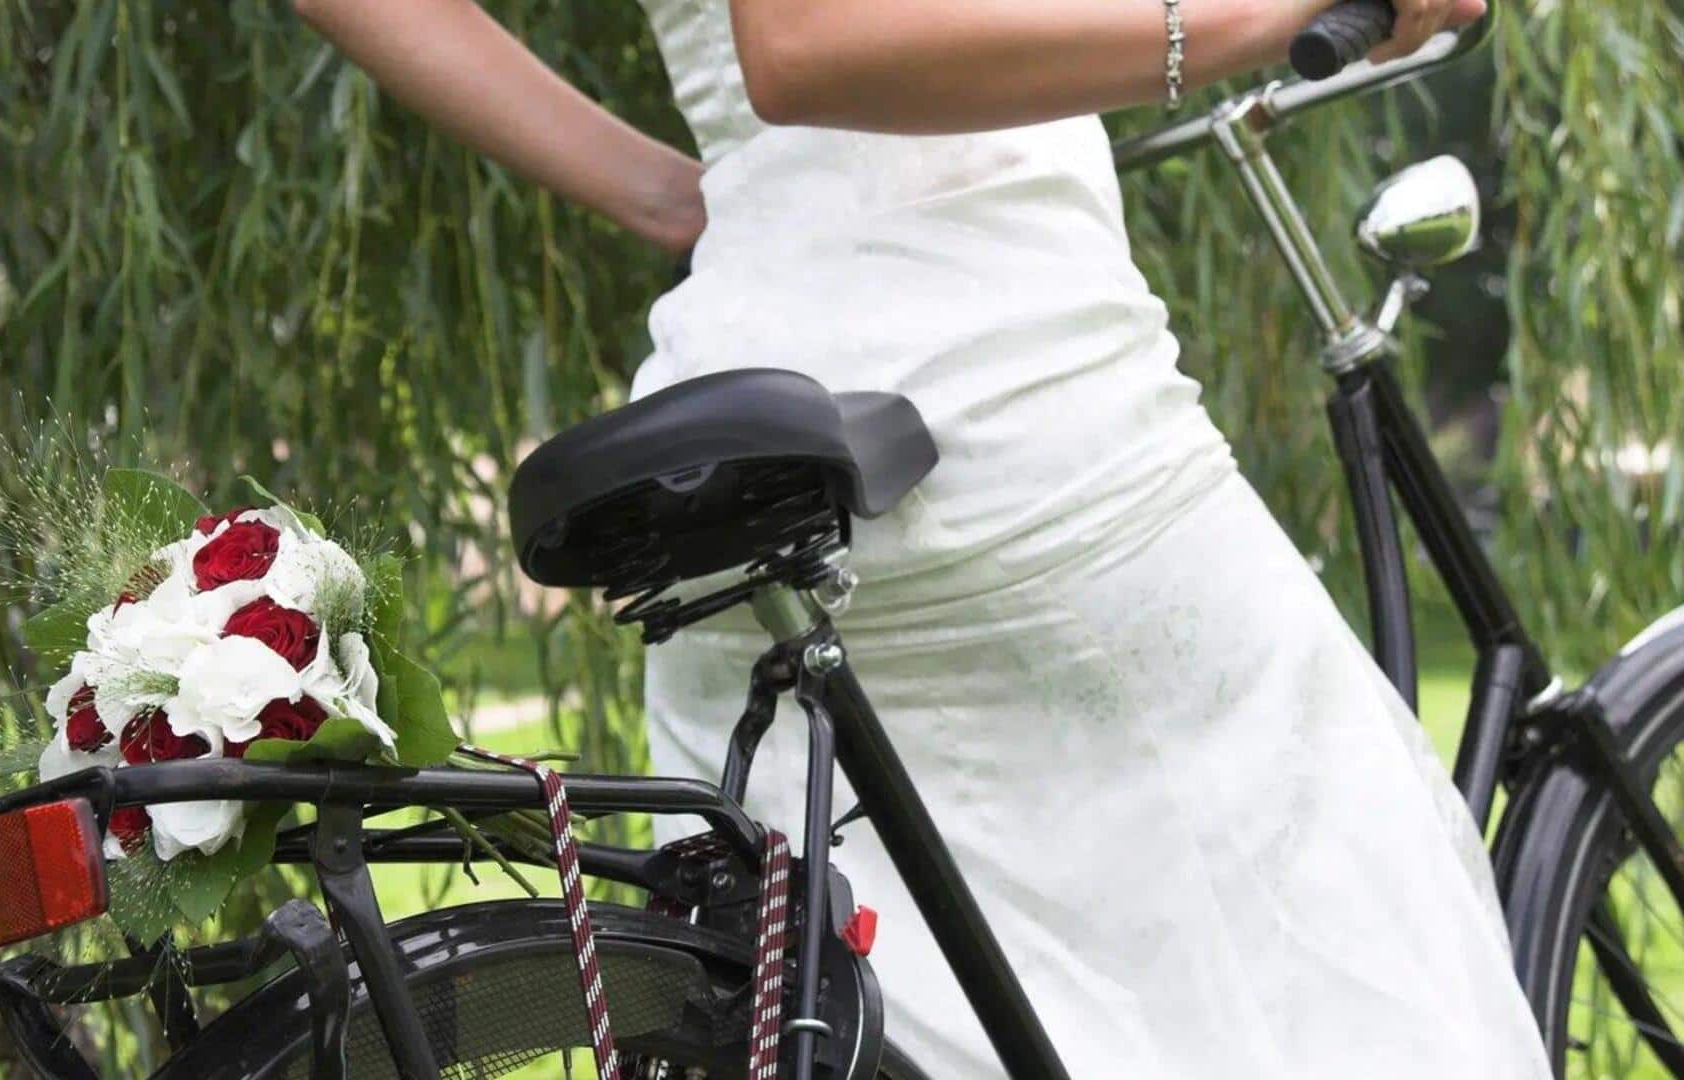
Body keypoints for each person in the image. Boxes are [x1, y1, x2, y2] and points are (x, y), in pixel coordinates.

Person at [294, 1, 1549, 1075]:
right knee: (1349, 897)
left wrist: (680, 190)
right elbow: (806, 39)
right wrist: (1262, 19)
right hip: (1003, 408)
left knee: (848, 1000)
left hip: (756, 398)